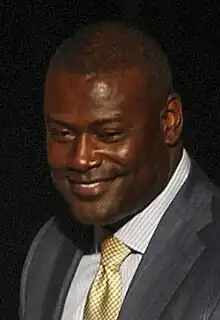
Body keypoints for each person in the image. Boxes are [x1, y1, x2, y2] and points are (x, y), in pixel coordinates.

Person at [19, 22, 220, 320]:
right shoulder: (48, 249)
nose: (82, 159)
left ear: (170, 122)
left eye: (109, 135)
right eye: (62, 134)